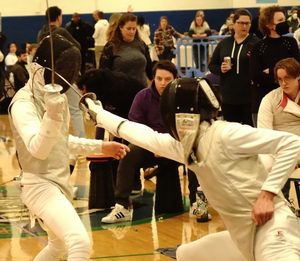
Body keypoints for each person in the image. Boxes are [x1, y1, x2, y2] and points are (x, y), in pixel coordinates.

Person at [82, 76, 300, 260]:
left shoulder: (226, 134)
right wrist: (98, 113)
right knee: (187, 254)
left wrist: (267, 194)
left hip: (273, 231)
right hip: (243, 236)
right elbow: (142, 134)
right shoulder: (185, 147)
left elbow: (292, 143)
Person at [8, 34, 129, 260]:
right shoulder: (23, 104)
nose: (66, 75)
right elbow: (38, 149)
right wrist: (52, 116)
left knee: (58, 247)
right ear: (40, 68)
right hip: (38, 185)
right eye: (62, 67)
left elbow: (61, 142)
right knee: (80, 243)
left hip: (59, 181)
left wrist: (101, 147)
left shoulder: (53, 97)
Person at [100, 61, 183, 223]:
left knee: (198, 154)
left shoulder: (181, 97)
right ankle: (122, 206)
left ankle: (198, 204)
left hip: (177, 146)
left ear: (175, 79)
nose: (163, 83)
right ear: (153, 79)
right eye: (159, 79)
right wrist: (154, 146)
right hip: (149, 146)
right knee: (129, 152)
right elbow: (134, 130)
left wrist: (168, 146)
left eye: (167, 79)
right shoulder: (142, 97)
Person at [258, 57, 300, 201]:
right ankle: (281, 204)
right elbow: (264, 135)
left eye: (287, 78)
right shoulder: (269, 100)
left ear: (298, 77)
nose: (283, 83)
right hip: (280, 150)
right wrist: (287, 156)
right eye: (280, 79)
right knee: (264, 164)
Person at [250, 5, 300, 126]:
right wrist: (285, 77)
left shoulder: (291, 43)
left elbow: (297, 69)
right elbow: (256, 76)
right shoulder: (258, 47)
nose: (285, 23)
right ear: (269, 25)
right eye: (280, 20)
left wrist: (271, 70)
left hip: (290, 101)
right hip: (263, 99)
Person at [209, 9, 259, 126]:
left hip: (248, 97)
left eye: (247, 23)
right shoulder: (224, 43)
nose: (244, 26)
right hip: (228, 96)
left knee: (248, 132)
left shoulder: (256, 43)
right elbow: (212, 66)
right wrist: (220, 69)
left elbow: (262, 67)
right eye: (241, 23)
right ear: (234, 23)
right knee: (230, 131)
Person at [100, 12, 152, 88]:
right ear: (121, 27)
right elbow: (103, 72)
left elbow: (149, 67)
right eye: (128, 29)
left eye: (134, 29)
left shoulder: (141, 44)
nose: (132, 32)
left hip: (141, 89)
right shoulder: (111, 46)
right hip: (120, 90)